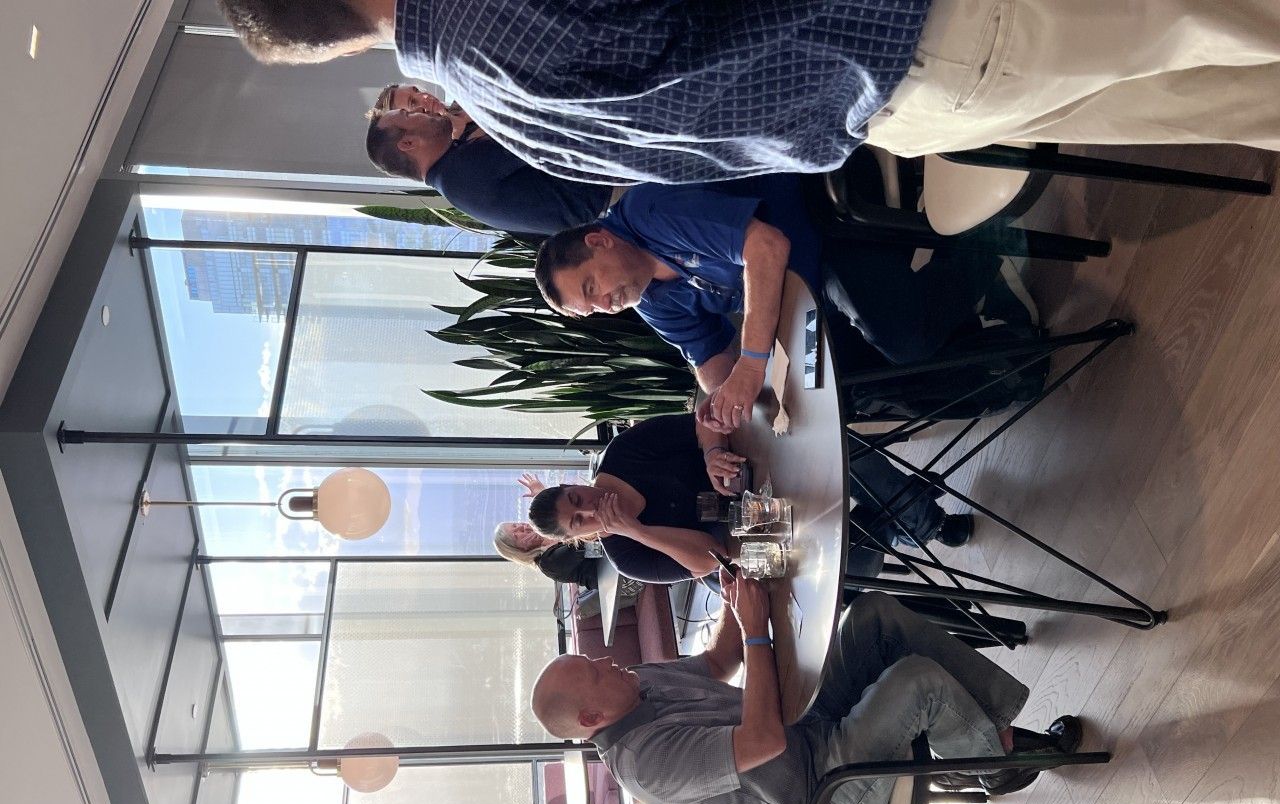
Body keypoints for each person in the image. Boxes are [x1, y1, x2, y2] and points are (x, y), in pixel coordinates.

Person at [216, 0, 1280, 186]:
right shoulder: (486, 22)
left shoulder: (503, 115)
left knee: (1232, 100)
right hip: (925, 26)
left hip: (903, 101)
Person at [531, 571, 1085, 804]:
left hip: (809, 730)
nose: (607, 660)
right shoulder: (647, 762)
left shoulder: (636, 684)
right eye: (595, 671)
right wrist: (756, 630)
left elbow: (720, 662)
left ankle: (990, 736)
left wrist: (735, 597)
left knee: (871, 615)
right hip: (827, 801)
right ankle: (993, 764)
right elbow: (763, 741)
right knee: (917, 682)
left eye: (593, 657)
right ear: (591, 717)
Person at [534, 173, 1034, 433]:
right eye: (592, 310)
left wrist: (752, 367)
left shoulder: (648, 211)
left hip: (819, 222)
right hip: (803, 296)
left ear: (599, 241)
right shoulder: (648, 298)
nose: (606, 305)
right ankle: (1002, 358)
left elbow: (767, 246)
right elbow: (708, 357)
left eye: (592, 288)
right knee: (848, 392)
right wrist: (723, 404)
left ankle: (987, 248)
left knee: (904, 338)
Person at [524, 414, 973, 584]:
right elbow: (712, 558)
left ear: (573, 483)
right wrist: (637, 530)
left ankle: (923, 522)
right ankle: (909, 517)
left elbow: (702, 421)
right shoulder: (626, 555)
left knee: (841, 451)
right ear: (579, 537)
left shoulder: (623, 453)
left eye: (577, 498)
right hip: (746, 542)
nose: (589, 507)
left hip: (753, 468)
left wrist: (710, 453)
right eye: (579, 520)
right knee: (846, 566)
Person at [365, 84, 616, 239]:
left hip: (606, 183)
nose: (421, 108)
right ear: (408, 143)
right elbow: (540, 130)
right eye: (409, 113)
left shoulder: (453, 175)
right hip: (611, 183)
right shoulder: (461, 172)